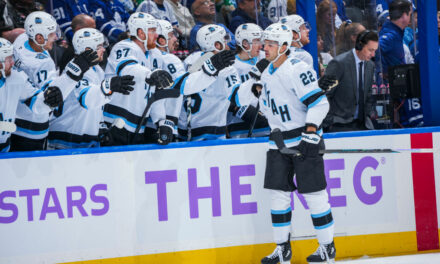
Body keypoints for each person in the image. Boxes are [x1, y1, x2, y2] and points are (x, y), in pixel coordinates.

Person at [235, 22, 335, 264]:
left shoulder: (297, 69)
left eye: (270, 44)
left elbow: (319, 103)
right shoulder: (264, 71)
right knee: (278, 195)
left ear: (283, 46)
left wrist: (311, 133)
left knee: (314, 195)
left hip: (302, 138)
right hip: (278, 141)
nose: (264, 48)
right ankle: (282, 249)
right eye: (264, 43)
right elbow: (240, 98)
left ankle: (326, 247)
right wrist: (254, 77)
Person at [11, 11, 98, 151]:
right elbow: (50, 98)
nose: (56, 37)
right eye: (51, 34)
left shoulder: (22, 39)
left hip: (14, 124)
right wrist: (74, 72)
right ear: (39, 38)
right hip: (31, 132)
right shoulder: (43, 64)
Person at [48, 28, 135, 149]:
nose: (104, 50)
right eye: (99, 46)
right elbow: (86, 99)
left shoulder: (96, 69)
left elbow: (96, 105)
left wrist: (100, 126)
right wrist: (108, 86)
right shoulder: (76, 69)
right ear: (88, 50)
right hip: (67, 137)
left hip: (82, 134)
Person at [103, 12, 174, 146]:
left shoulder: (156, 55)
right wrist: (151, 74)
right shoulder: (124, 47)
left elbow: (155, 93)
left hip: (139, 126)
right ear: (141, 33)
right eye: (152, 31)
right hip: (114, 123)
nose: (157, 35)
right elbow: (127, 68)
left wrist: (160, 121)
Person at [176, 24, 237, 141]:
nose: (228, 43)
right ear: (217, 45)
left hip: (186, 128)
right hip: (213, 129)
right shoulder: (227, 67)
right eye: (224, 39)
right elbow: (237, 97)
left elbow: (178, 86)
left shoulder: (190, 59)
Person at [0, 37, 61, 152]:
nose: (13, 63)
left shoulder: (16, 77)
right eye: (8, 59)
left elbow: (36, 100)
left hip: (5, 150)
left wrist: (48, 98)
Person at [323, 30, 378, 132]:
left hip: (363, 124)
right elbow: (325, 94)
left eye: (375, 50)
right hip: (339, 124)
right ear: (360, 45)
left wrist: (368, 114)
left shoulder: (370, 65)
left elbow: (369, 94)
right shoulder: (339, 63)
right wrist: (330, 121)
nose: (373, 54)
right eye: (370, 50)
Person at [227, 23, 269, 138]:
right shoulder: (231, 66)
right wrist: (248, 113)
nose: (261, 46)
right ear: (245, 43)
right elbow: (229, 99)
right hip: (240, 128)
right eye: (256, 41)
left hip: (268, 125)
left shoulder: (265, 58)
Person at [155, 19, 186, 141]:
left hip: (146, 123)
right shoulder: (170, 59)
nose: (175, 39)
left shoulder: (144, 58)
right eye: (171, 35)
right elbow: (185, 85)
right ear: (161, 40)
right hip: (167, 123)